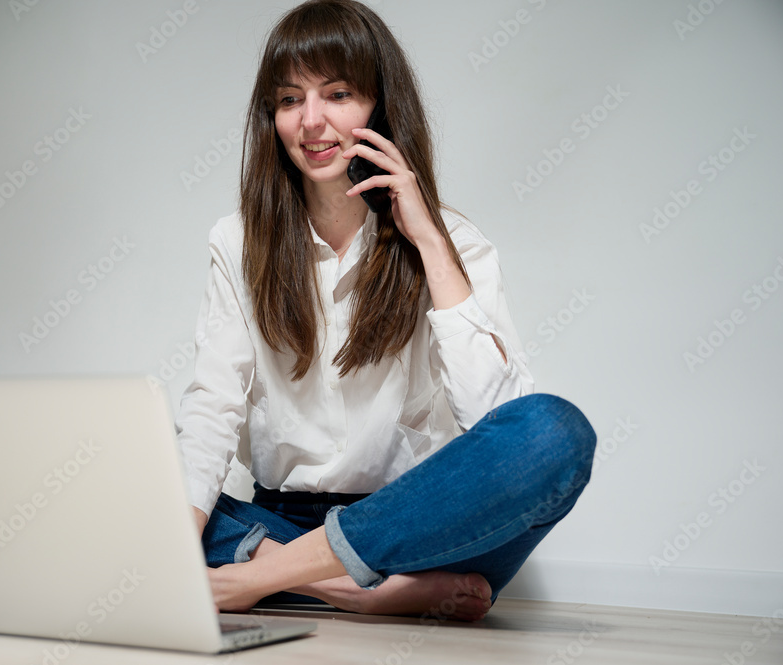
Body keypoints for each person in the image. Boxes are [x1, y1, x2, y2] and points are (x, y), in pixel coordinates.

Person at [174, 0, 596, 621]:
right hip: (278, 514)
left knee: (555, 434)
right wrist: (175, 543)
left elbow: (498, 424)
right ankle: (348, 588)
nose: (312, 122)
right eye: (290, 100)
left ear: (381, 106)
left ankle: (265, 575)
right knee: (123, 466)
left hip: (419, 523)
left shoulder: (456, 244)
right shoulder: (236, 242)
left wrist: (429, 241)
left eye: (338, 94)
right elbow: (212, 408)